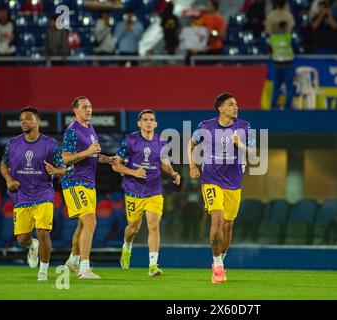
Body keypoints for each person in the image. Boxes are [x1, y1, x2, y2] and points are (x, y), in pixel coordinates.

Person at [188, 93, 256, 283]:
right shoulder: (205, 126)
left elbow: (253, 154)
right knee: (216, 219)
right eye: (231, 104)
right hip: (211, 179)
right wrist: (192, 165)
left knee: (228, 224)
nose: (236, 107)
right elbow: (191, 143)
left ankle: (220, 262)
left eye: (236, 104)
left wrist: (240, 145)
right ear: (220, 108)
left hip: (234, 182)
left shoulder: (245, 126)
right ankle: (217, 266)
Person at [0, 107, 66, 281]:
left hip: (43, 193)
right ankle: (32, 245)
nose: (24, 122)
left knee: (43, 232)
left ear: (38, 121)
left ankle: (43, 271)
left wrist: (55, 170)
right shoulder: (12, 144)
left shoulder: (50, 145)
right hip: (21, 195)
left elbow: (64, 170)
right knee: (22, 239)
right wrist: (8, 180)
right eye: (22, 119)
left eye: (28, 118)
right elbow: (3, 165)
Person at [113, 109, 180, 276]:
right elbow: (116, 165)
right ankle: (127, 246)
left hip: (154, 190)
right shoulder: (129, 140)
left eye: (151, 119)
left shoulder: (161, 142)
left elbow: (164, 162)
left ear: (156, 123)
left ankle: (153, 265)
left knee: (153, 225)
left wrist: (173, 173)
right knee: (133, 228)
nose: (148, 122)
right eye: (145, 119)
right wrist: (134, 173)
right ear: (139, 123)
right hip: (133, 191)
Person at [62, 96, 116, 279]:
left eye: (90, 106)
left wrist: (108, 160)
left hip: (89, 184)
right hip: (75, 182)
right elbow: (66, 158)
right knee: (90, 222)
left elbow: (93, 156)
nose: (89, 109)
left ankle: (72, 261)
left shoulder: (90, 129)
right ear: (75, 110)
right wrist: (88, 151)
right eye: (84, 107)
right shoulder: (72, 131)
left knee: (83, 224)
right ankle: (84, 268)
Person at [269, 20, 296, 110]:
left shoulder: (272, 38)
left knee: (276, 87)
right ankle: (287, 106)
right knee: (289, 87)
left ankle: (273, 105)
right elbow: (296, 48)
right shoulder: (289, 37)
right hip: (287, 66)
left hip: (276, 66)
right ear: (285, 27)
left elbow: (269, 49)